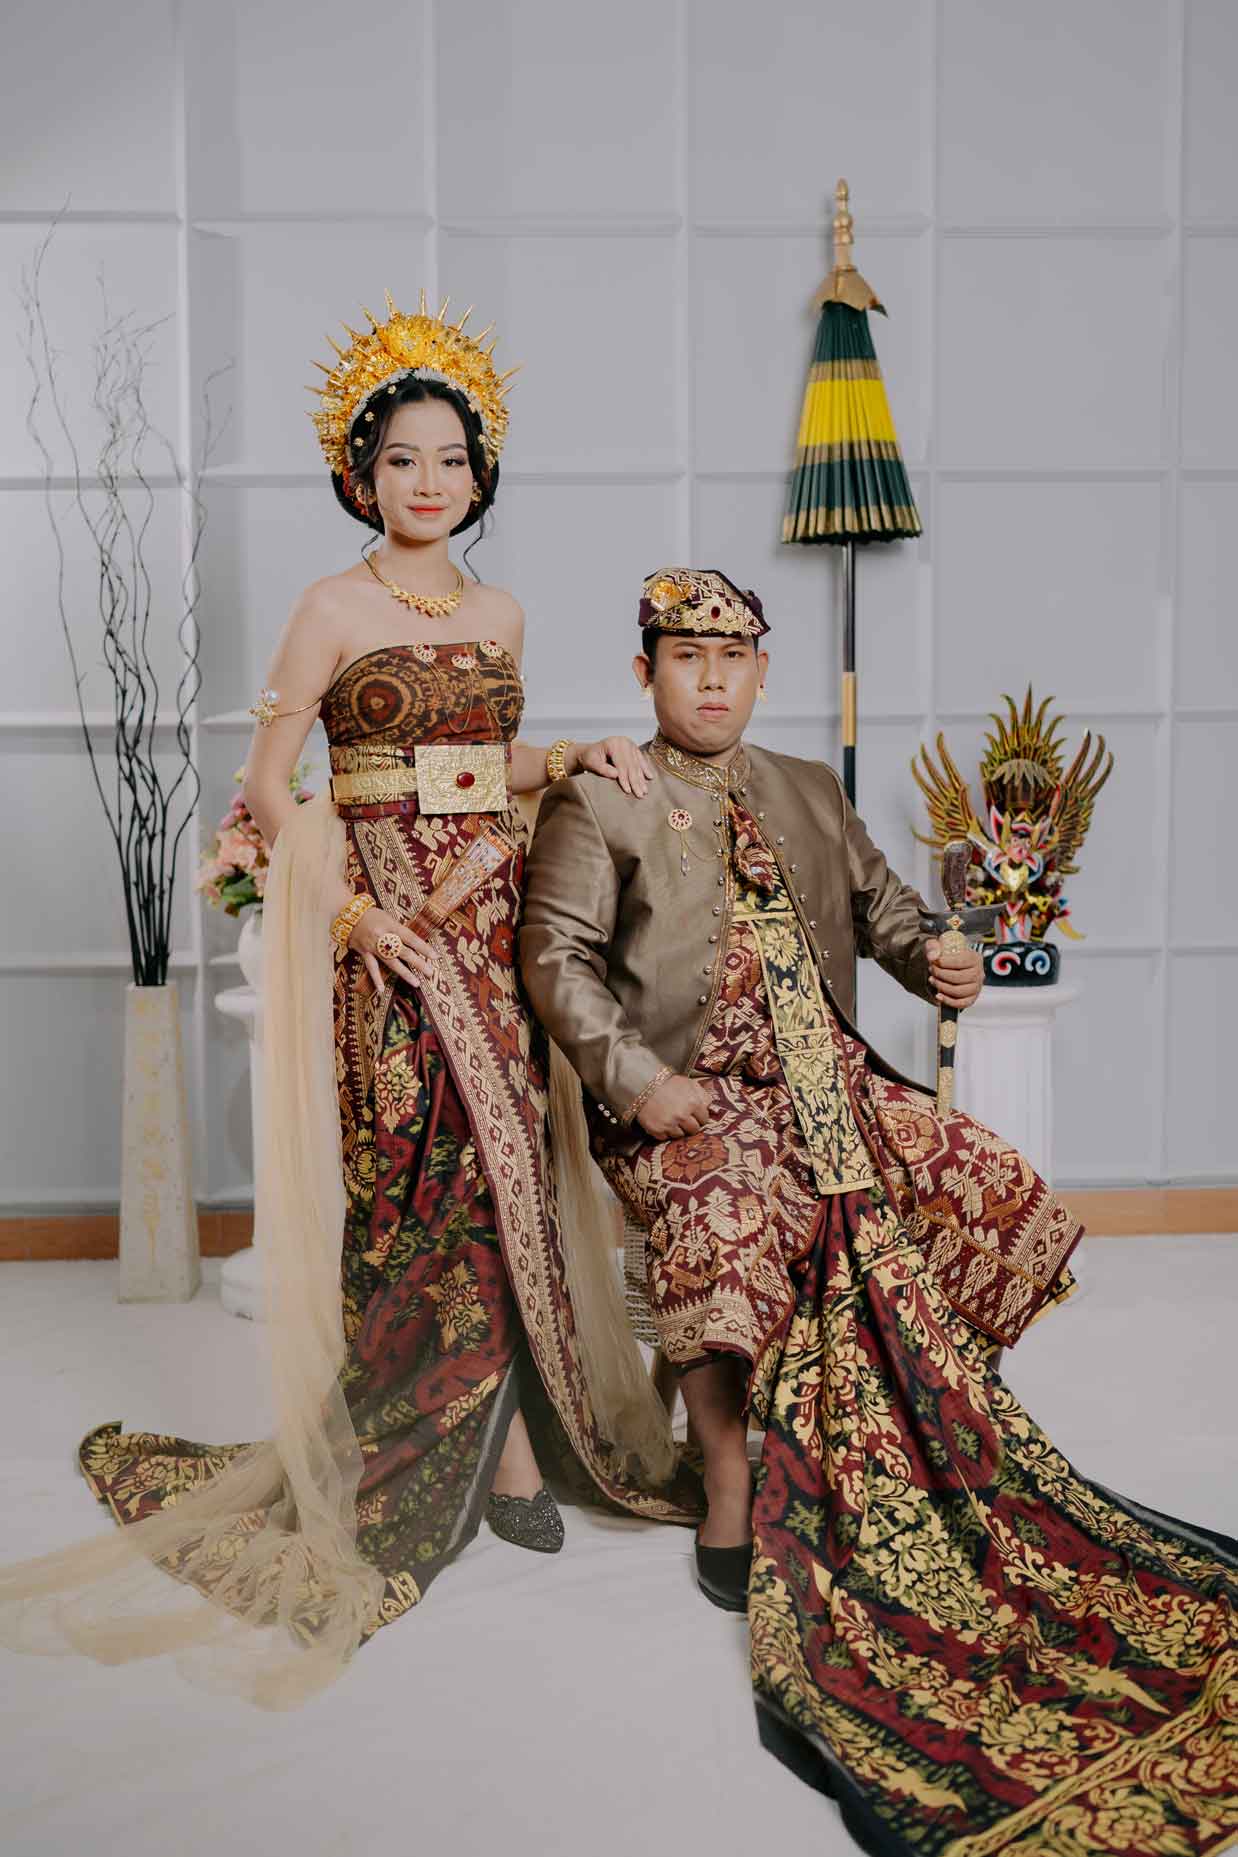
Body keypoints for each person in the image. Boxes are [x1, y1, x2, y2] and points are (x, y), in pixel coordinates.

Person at [0, 298, 696, 1708]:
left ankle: (513, 1441)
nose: (428, 481)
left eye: (451, 460)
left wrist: (577, 754)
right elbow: (271, 790)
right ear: (359, 476)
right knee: (421, 1189)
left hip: (493, 929)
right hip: (384, 938)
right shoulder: (329, 608)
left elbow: (490, 765)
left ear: (480, 477)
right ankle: (473, 1447)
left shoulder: (498, 613)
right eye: (400, 460)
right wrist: (358, 919)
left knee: (512, 1175)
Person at [519, 567, 1238, 1853]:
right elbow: (553, 959)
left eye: (734, 659)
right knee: (728, 1218)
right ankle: (729, 1469)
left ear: (761, 671)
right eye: (685, 658)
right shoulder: (600, 796)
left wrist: (937, 956)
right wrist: (637, 1081)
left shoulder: (807, 786)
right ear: (644, 672)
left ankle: (912, 1428)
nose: (712, 680)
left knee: (979, 1181)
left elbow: (888, 914)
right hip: (689, 1101)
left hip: (833, 1089)